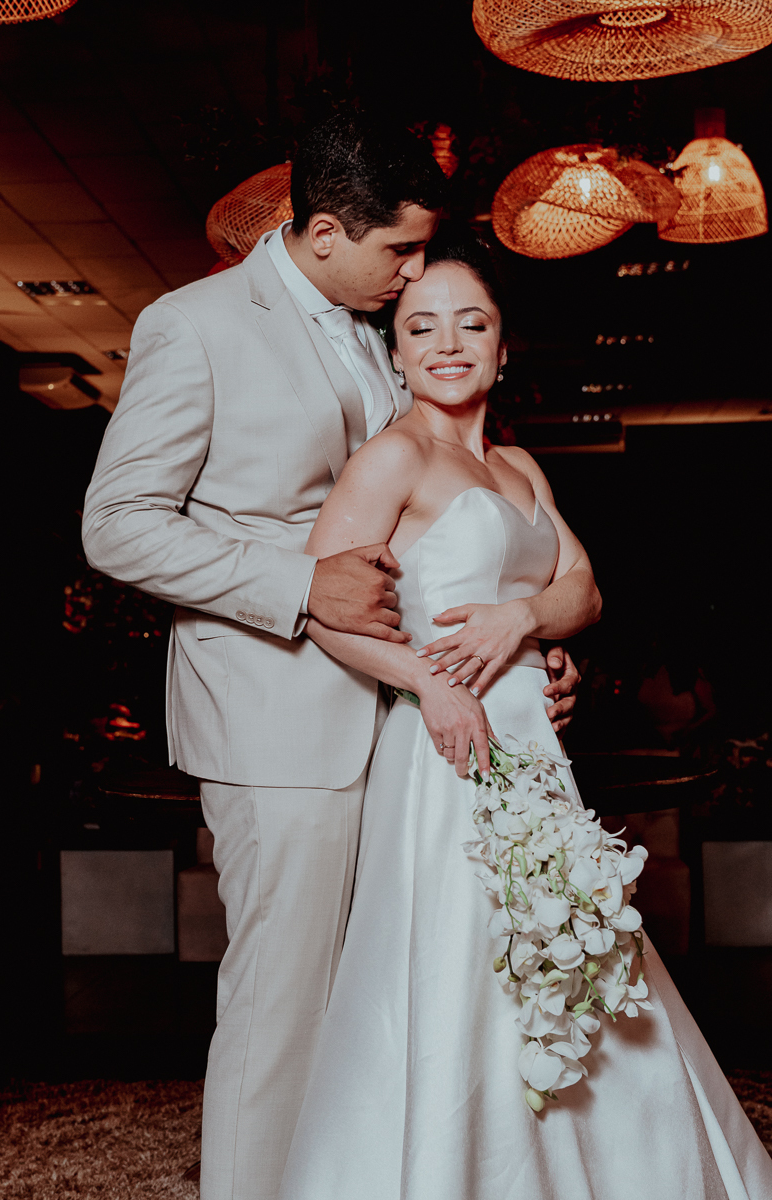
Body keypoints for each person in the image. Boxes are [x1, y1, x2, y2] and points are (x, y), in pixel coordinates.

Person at [81, 112, 580, 1200]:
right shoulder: (196, 324)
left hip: (405, 716)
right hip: (275, 717)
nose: (414, 276)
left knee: (378, 1000)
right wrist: (300, 587)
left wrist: (514, 643)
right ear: (318, 232)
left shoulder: (370, 324)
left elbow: (423, 520)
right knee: (283, 1001)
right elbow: (116, 524)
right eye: (399, 250)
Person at [277, 227, 772, 1200]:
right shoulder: (391, 461)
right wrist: (432, 681)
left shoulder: (520, 472)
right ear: (397, 350)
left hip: (535, 749)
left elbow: (582, 590)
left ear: (504, 347)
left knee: (573, 943)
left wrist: (523, 622)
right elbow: (324, 609)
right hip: (447, 748)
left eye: (472, 322)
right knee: (465, 967)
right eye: (421, 326)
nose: (447, 342)